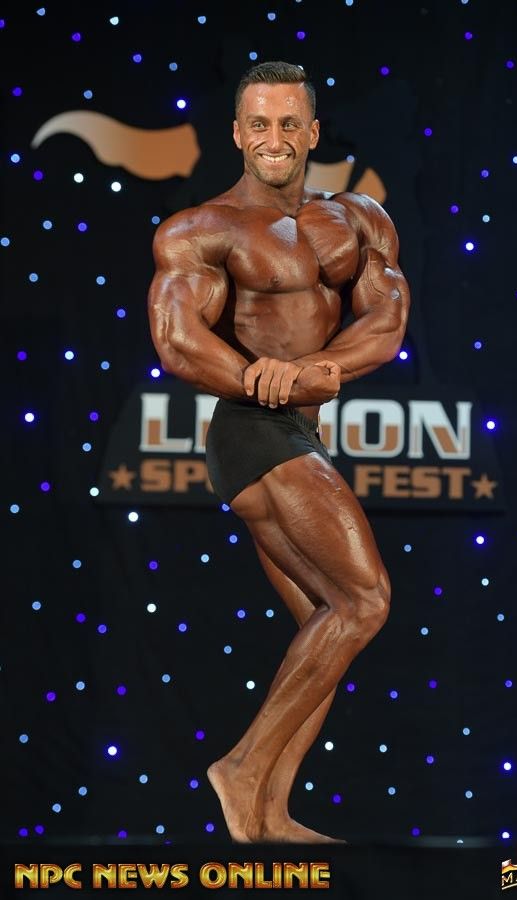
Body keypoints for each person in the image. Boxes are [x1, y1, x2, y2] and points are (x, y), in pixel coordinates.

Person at [147, 60, 411, 843]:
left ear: (313, 132)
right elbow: (177, 338)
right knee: (364, 601)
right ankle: (240, 769)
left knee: (322, 631)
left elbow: (386, 321)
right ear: (237, 133)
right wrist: (260, 381)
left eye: (289, 123)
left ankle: (268, 812)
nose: (274, 138)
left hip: (300, 428)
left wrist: (315, 370)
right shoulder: (204, 228)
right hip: (250, 428)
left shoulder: (358, 218)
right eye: (259, 123)